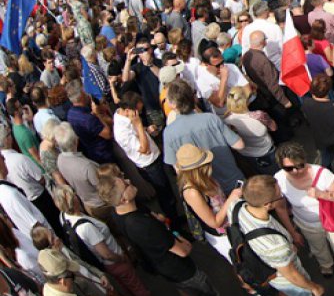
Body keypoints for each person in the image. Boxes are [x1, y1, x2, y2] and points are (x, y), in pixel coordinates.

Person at [98, 174, 219, 296]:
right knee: (207, 292)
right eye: (126, 184)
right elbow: (183, 251)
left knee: (186, 291)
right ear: (124, 199)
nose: (128, 180)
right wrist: (180, 238)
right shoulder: (143, 225)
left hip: (162, 266)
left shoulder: (117, 212)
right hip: (179, 268)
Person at [229, 174, 324, 296]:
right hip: (287, 282)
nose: (281, 196)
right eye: (280, 196)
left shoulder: (235, 206)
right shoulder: (275, 245)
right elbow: (292, 275)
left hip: (261, 269)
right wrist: (314, 287)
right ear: (267, 204)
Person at [273, 143, 334, 282]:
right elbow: (281, 208)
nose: (295, 171)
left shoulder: (322, 174)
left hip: (333, 220)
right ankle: (325, 264)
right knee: (317, 247)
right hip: (307, 224)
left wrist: (321, 194)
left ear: (304, 160)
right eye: (288, 168)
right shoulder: (279, 179)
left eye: (299, 166)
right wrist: (292, 232)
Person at [53, 185, 149, 296]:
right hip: (115, 262)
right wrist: (121, 258)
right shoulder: (86, 227)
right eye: (74, 195)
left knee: (126, 288)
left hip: (107, 265)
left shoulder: (63, 216)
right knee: (138, 288)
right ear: (74, 201)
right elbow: (106, 254)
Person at [163, 80, 246, 194]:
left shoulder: (169, 133)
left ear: (172, 104)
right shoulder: (211, 119)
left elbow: (178, 169)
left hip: (209, 192)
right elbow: (239, 145)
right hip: (234, 182)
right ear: (193, 98)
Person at [113, 91, 175, 219]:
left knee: (168, 191)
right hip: (150, 165)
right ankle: (174, 221)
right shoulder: (122, 131)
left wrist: (146, 130)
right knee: (165, 195)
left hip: (155, 158)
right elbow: (144, 149)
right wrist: (139, 124)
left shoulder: (128, 118)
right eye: (138, 111)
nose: (139, 114)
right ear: (128, 111)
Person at [174, 144, 241, 262]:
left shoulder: (204, 178)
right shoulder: (192, 192)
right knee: (243, 264)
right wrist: (232, 198)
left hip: (233, 225)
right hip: (224, 236)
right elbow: (214, 223)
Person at [54, 122, 112, 223]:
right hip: (101, 205)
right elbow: (101, 187)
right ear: (75, 141)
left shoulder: (60, 159)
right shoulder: (87, 166)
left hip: (88, 204)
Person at [223, 86, 279, 174]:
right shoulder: (259, 115)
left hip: (247, 156)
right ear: (245, 101)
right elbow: (274, 127)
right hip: (266, 152)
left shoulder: (226, 120)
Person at [301, 74, 334, 174]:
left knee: (325, 159)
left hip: (320, 139)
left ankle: (326, 174)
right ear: (328, 90)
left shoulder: (306, 103)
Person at [64, 79, 114, 164]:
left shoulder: (70, 114)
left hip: (92, 152)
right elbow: (108, 134)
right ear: (81, 95)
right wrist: (98, 114)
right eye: (85, 90)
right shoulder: (87, 119)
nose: (88, 93)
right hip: (103, 153)